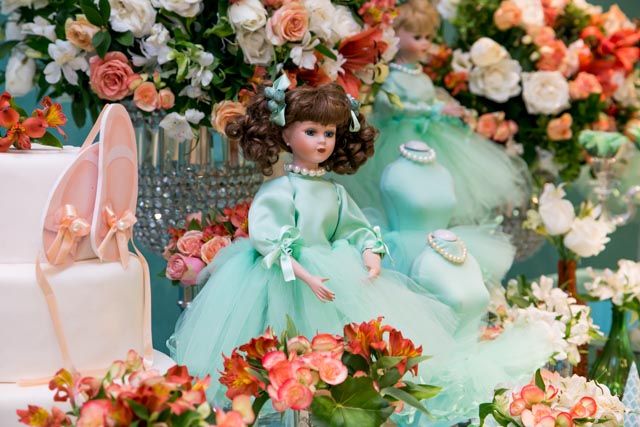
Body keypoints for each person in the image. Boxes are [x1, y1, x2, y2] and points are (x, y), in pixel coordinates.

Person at [334, 0, 529, 225]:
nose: (425, 43)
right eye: (417, 37)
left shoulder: (421, 74)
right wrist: (434, 109)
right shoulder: (392, 77)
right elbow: (392, 106)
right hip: (399, 138)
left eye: (428, 37)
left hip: (430, 136)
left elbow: (428, 99)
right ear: (396, 35)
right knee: (403, 186)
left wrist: (446, 110)